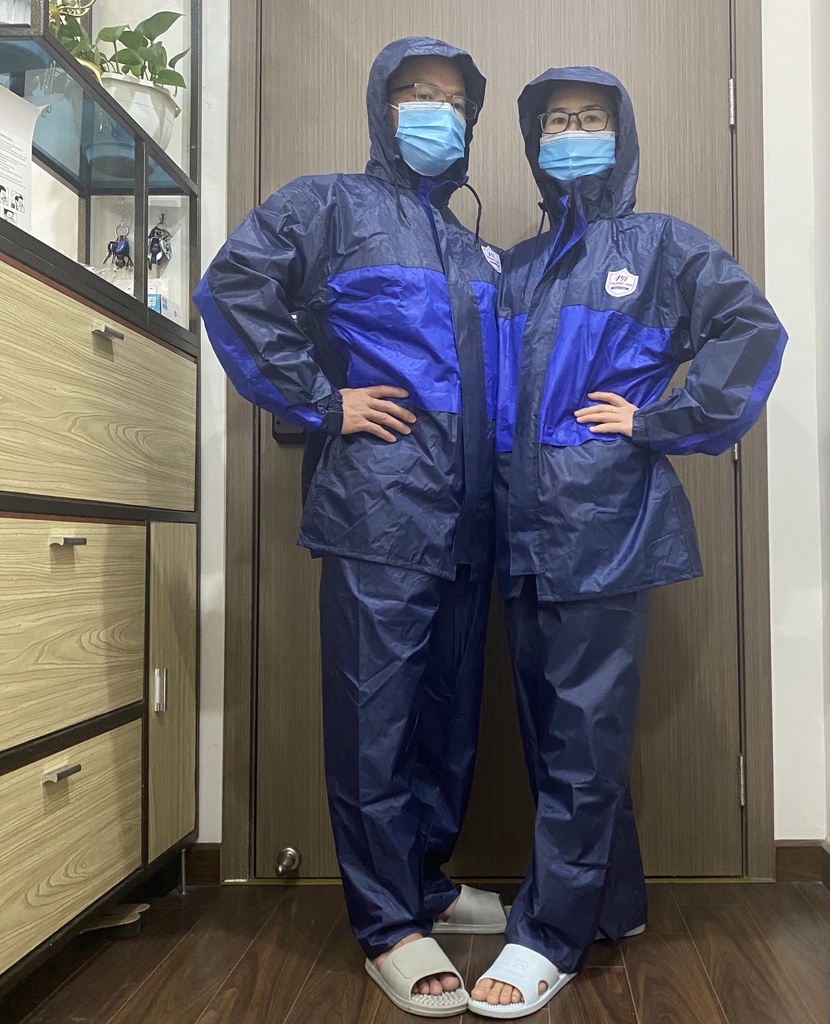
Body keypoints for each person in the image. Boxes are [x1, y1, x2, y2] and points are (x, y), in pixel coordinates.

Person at [195, 37, 506, 1019]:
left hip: (471, 518)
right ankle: (386, 926)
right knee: (376, 722)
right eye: (415, 92)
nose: (435, 110)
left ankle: (426, 884)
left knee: (449, 720)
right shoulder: (327, 206)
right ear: (382, 105)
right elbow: (231, 289)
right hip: (379, 510)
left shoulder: (475, 248)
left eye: (452, 99)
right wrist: (323, 400)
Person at [468, 67, 788, 1018]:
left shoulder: (661, 246)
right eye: (557, 120)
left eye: (591, 118)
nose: (573, 132)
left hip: (604, 523)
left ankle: (549, 934)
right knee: (553, 729)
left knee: (582, 732)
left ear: (621, 132)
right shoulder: (518, 267)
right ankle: (612, 902)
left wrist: (660, 419)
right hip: (521, 527)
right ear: (534, 141)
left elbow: (751, 329)